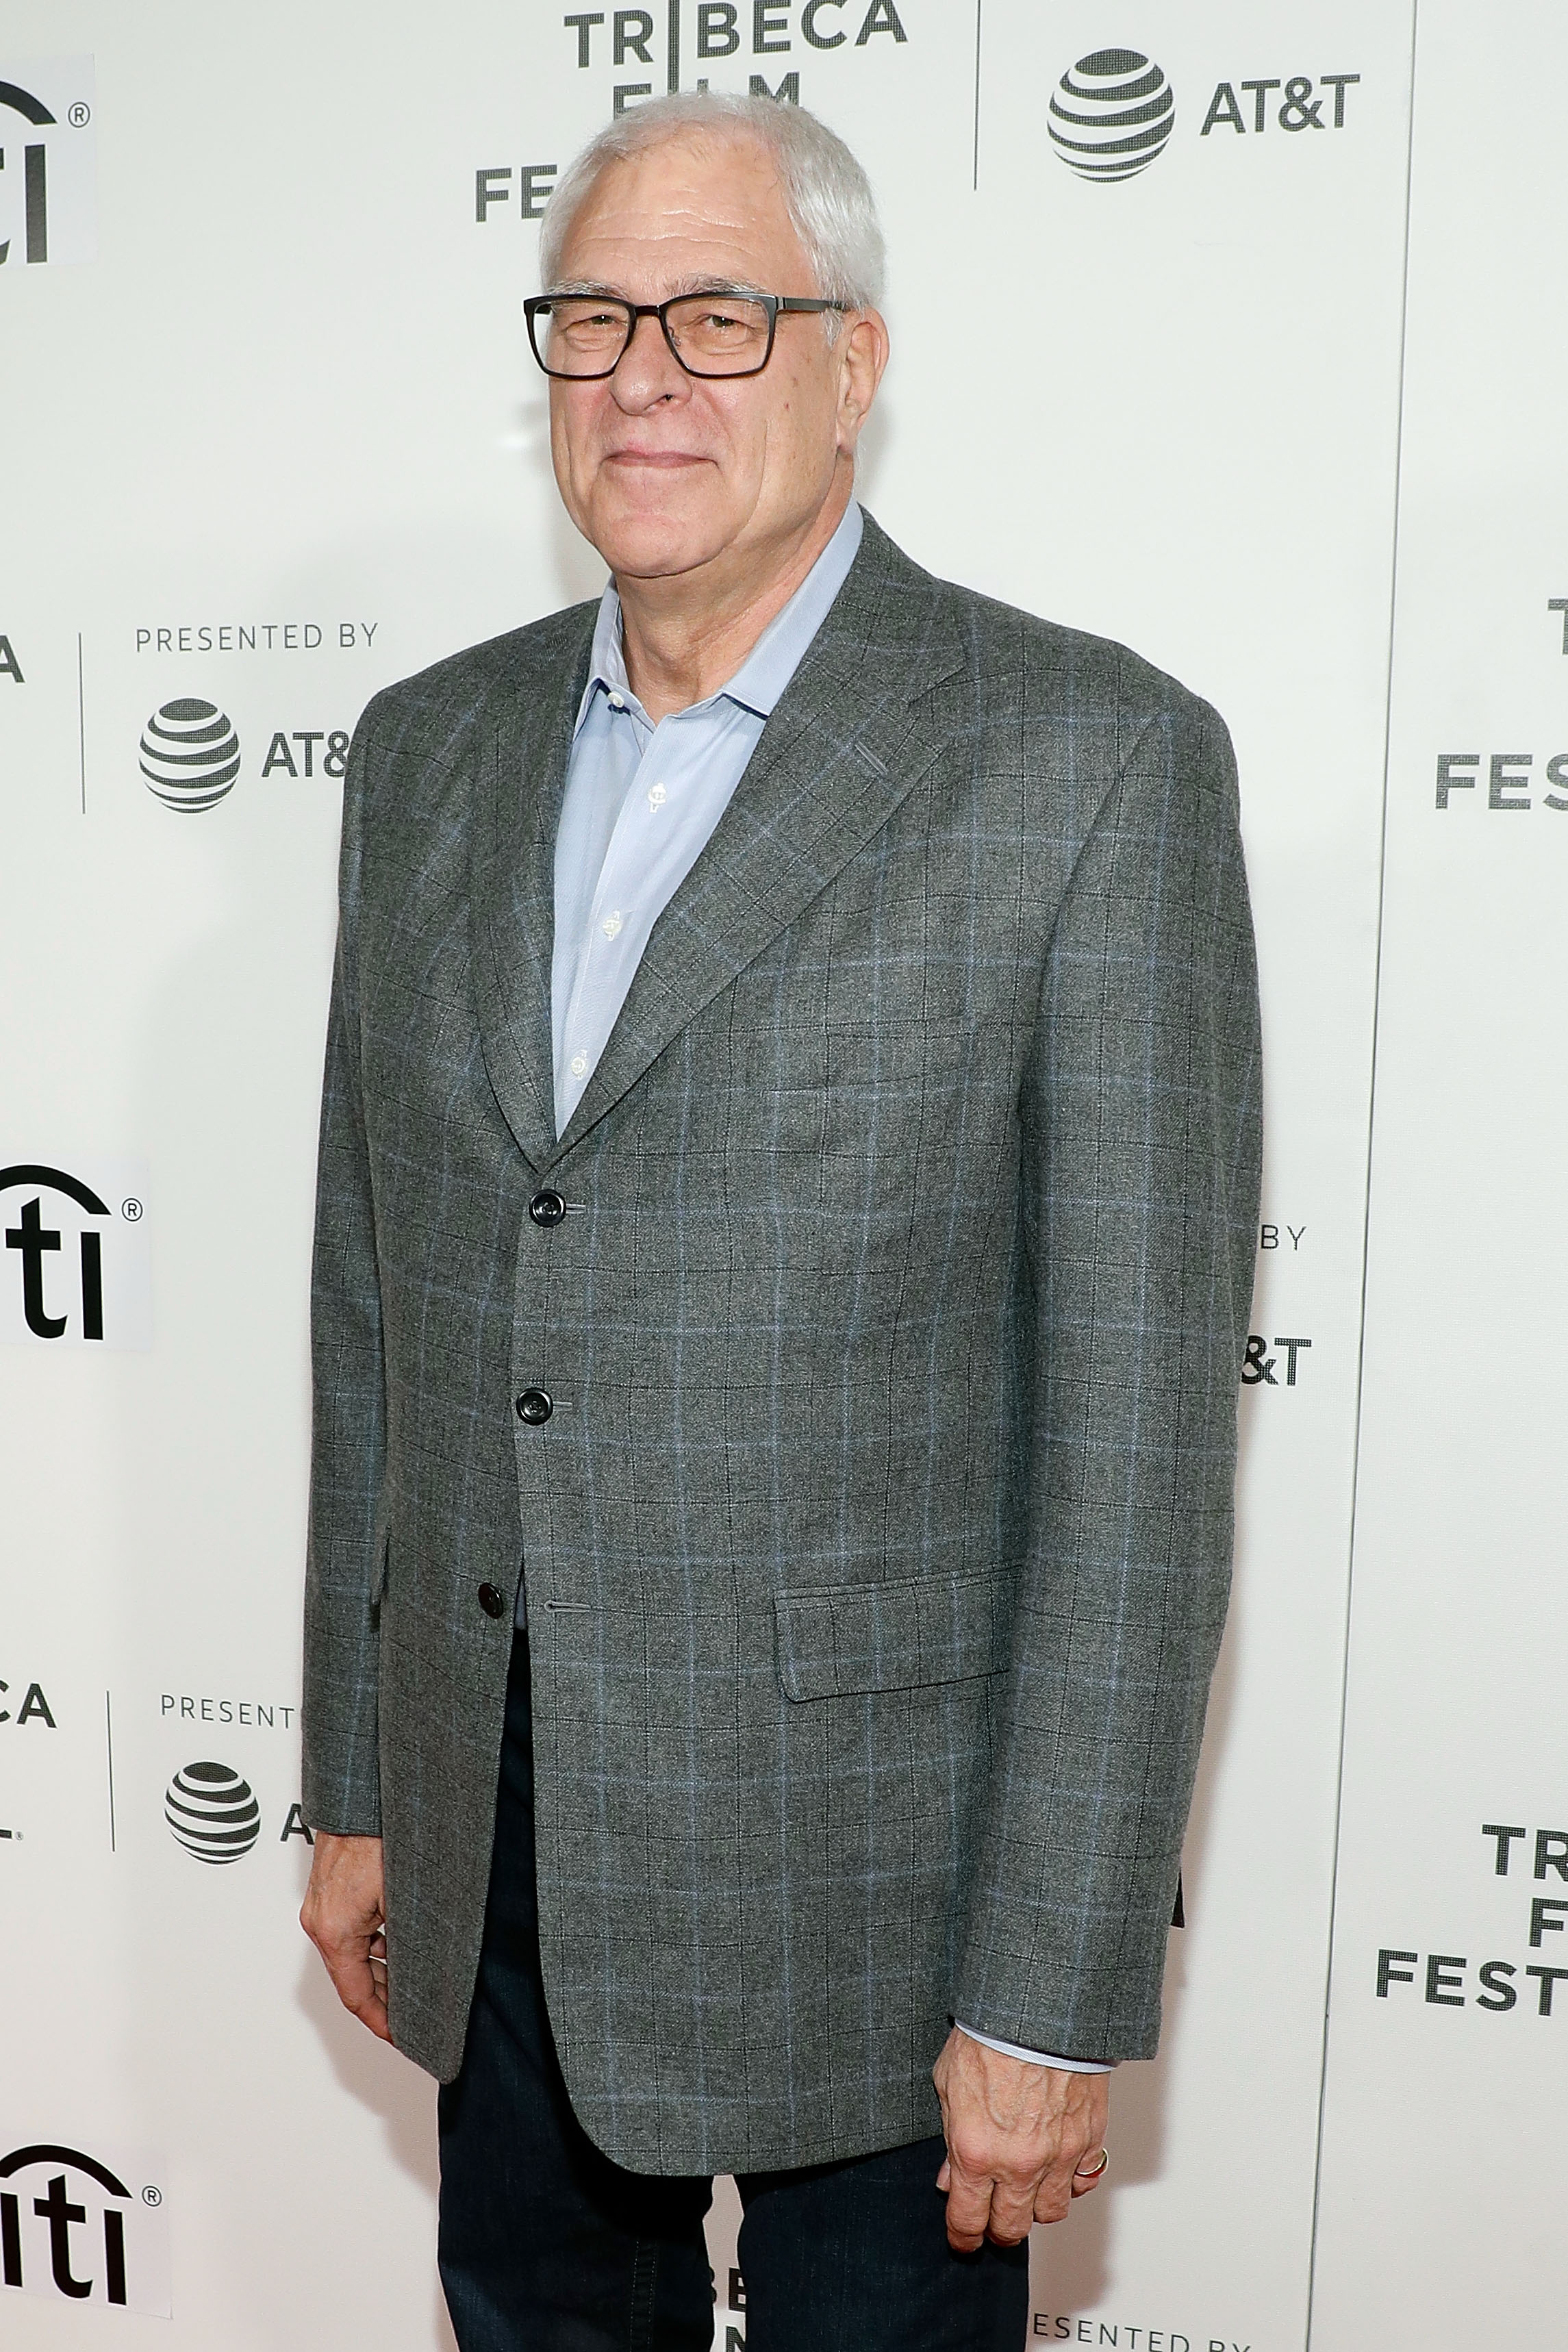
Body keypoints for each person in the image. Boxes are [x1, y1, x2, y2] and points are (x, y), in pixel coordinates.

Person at [299, 90, 1261, 2352]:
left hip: (886, 1903)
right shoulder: (418, 756)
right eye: (594, 315)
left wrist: (1048, 1981)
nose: (643, 373)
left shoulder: (1085, 759)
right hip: (502, 1846)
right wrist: (364, 1779)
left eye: (721, 315)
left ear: (854, 363)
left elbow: (1132, 1460)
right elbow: (379, 1308)